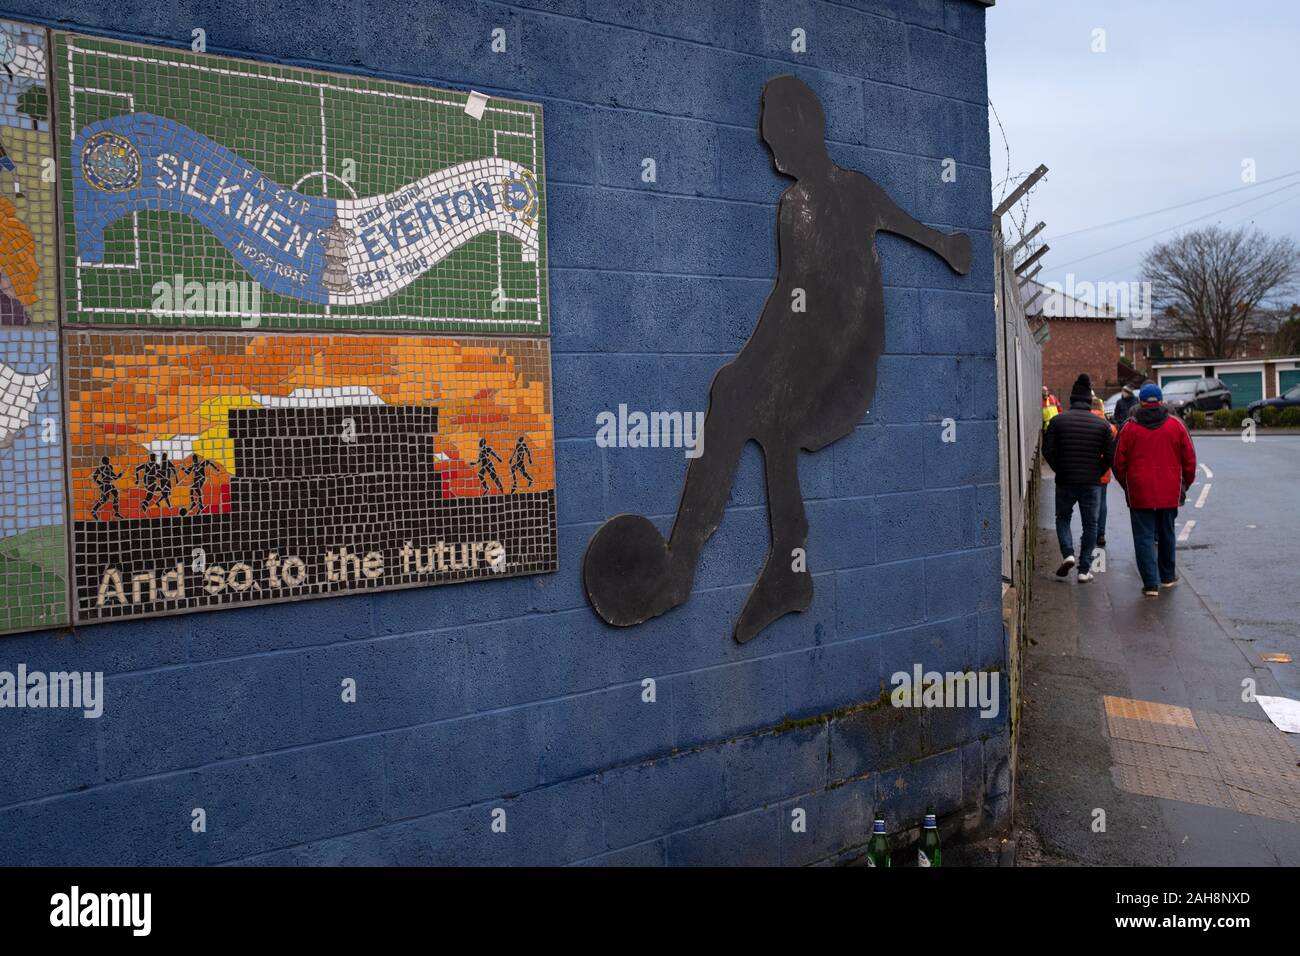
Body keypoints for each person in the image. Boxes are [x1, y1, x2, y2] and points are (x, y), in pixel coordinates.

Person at [583, 75, 971, 644]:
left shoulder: (804, 204)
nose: (771, 152)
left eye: (775, 140)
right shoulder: (853, 189)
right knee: (752, 401)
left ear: (798, 130)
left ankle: (691, 566)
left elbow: (794, 296)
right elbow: (914, 234)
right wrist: (948, 245)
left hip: (837, 371)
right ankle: (782, 561)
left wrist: (750, 371)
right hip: (828, 364)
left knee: (742, 398)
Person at [1112, 383, 1197, 597]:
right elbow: (1190, 460)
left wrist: (1128, 485)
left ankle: (1150, 583)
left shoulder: (1129, 428)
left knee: (1143, 537)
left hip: (1139, 491)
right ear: (1161, 401)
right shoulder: (1176, 426)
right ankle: (1167, 577)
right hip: (1169, 491)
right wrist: (1184, 484)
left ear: (1140, 402)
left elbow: (1118, 463)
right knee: (1167, 534)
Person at [1042, 374, 1115, 583]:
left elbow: (1048, 450)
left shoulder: (1057, 421)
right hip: (1092, 482)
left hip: (1066, 479)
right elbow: (1111, 454)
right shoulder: (1101, 425)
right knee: (1090, 524)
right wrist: (1097, 471)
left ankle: (1068, 554)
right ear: (1089, 400)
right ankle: (1084, 570)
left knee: (1063, 517)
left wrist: (1060, 468)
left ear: (1072, 399)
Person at [1090, 395, 1118, 547]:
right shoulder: (1110, 427)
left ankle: (1090, 532)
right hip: (1104, 470)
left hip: (1087, 469)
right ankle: (1101, 533)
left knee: (1089, 503)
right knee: (1102, 502)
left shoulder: (1086, 423)